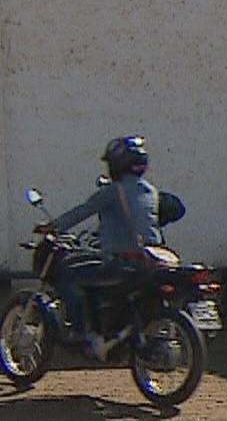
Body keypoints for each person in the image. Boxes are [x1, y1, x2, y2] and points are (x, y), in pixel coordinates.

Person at [38, 135, 163, 359]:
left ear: (117, 163)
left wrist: (52, 227)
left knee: (67, 274)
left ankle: (84, 334)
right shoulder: (151, 192)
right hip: (147, 262)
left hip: (121, 263)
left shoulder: (114, 191)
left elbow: (82, 211)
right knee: (92, 276)